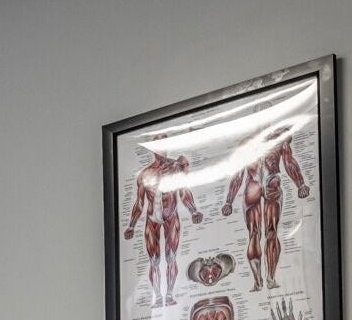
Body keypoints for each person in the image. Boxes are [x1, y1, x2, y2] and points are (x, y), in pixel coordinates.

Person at [222, 123, 311, 291]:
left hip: (267, 184)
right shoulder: (249, 143)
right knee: (257, 233)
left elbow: (289, 162)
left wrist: (300, 184)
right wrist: (228, 200)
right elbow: (239, 173)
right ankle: (260, 280)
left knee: (268, 232)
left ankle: (268, 278)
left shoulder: (277, 139)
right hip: (258, 185)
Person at [123, 140, 203, 307]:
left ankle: (169, 295)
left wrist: (193, 210)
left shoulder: (175, 167)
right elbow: (139, 202)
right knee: (154, 260)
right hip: (152, 217)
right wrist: (131, 225)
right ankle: (158, 296)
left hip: (171, 216)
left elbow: (184, 191)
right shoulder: (145, 174)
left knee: (171, 257)